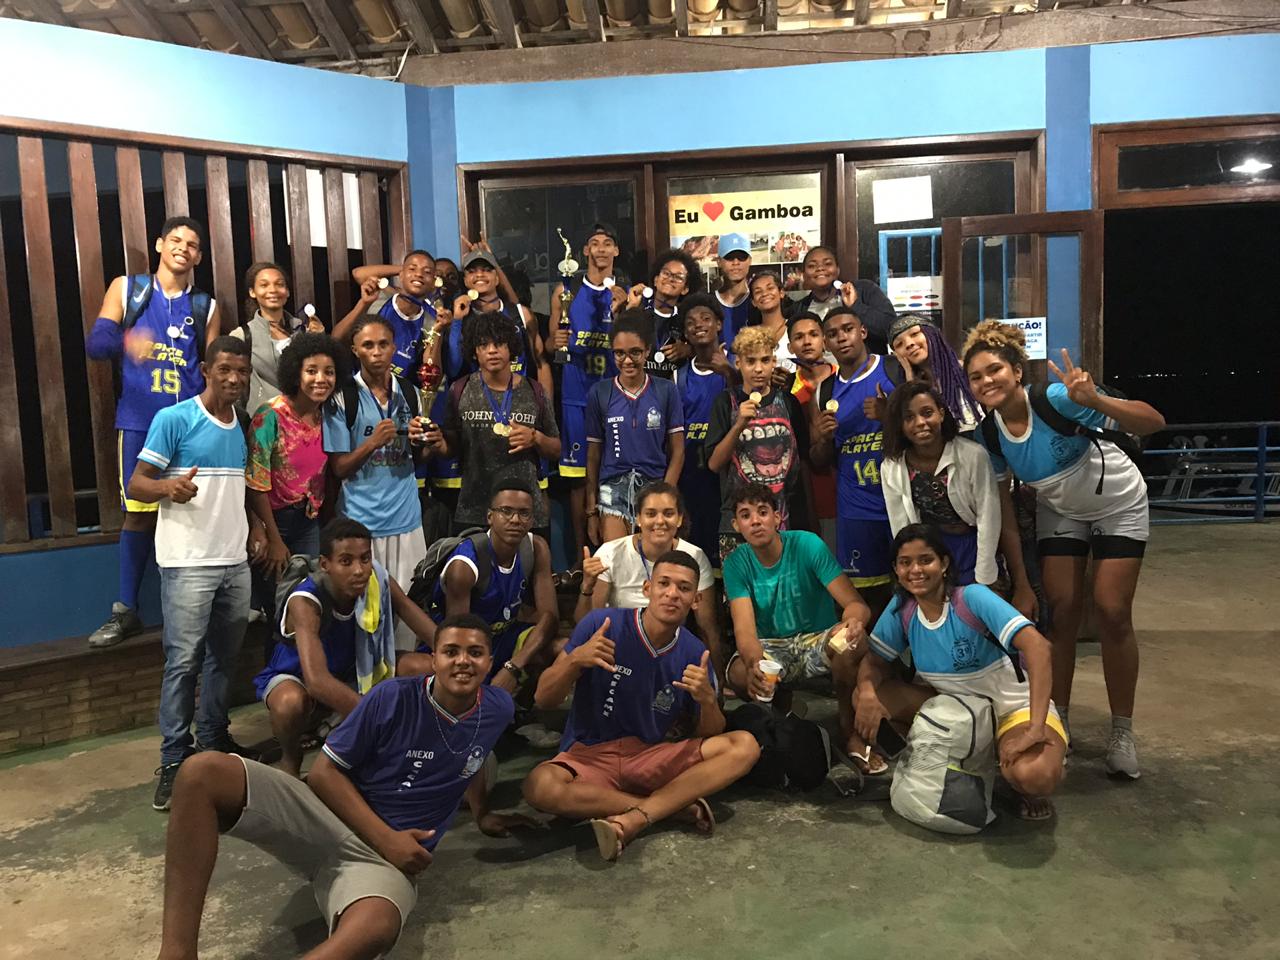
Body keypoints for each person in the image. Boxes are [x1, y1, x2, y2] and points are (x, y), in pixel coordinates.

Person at [154, 614, 534, 960]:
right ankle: (176, 954)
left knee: (375, 928)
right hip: (326, 817)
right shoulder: (392, 697)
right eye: (451, 651)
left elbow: (472, 757)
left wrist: (482, 813)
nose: (463, 661)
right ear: (433, 659)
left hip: (379, 865)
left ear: (490, 662)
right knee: (201, 772)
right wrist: (387, 839)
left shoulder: (497, 708)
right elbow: (323, 774)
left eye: (475, 653)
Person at [963, 322, 1165, 779]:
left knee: (1112, 610)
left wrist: (1095, 400)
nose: (987, 381)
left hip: (1117, 501)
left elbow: (1153, 422)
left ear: (1016, 371)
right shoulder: (988, 436)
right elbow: (1005, 513)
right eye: (976, 377)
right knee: (1062, 612)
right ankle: (1060, 720)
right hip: (1061, 509)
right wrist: (1019, 579)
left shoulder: (1054, 399)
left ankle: (1122, 731)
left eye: (995, 370)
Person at [522, 551, 760, 862]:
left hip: (649, 756)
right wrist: (575, 661)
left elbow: (709, 733)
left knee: (744, 746)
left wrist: (706, 701)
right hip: (589, 755)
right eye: (664, 583)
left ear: (696, 600)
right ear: (647, 589)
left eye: (684, 588)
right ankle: (667, 807)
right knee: (540, 786)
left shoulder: (694, 651)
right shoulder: (602, 624)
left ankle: (637, 816)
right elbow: (543, 698)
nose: (672, 594)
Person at [856, 524, 1066, 820]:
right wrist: (867, 691)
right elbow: (874, 661)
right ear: (896, 570)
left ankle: (1017, 771)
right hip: (957, 713)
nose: (915, 570)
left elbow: (1040, 649)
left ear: (944, 564)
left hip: (1010, 709)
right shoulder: (902, 609)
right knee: (866, 697)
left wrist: (1035, 727)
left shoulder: (972, 598)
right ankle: (943, 759)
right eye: (905, 562)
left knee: (1035, 776)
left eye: (925, 560)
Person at [127, 336, 255, 810]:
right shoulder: (174, 419)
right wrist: (167, 488)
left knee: (225, 658)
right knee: (183, 664)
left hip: (234, 561)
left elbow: (241, 490)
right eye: (225, 370)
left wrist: (259, 531)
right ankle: (174, 759)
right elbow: (136, 483)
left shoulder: (242, 423)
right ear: (205, 370)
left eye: (241, 371)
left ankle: (214, 740)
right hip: (187, 564)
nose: (234, 379)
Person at [84, 216, 222, 649]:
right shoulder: (128, 288)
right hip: (140, 420)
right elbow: (96, 345)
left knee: (194, 508)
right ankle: (126, 610)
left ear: (199, 256)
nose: (183, 247)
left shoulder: (205, 305)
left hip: (189, 423)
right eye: (176, 239)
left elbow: (213, 369)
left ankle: (205, 605)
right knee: (140, 512)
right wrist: (128, 341)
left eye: (192, 244)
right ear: (160, 245)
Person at [254, 517, 442, 777]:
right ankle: (291, 757)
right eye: (346, 561)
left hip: (353, 671)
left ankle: (427, 746)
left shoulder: (377, 578)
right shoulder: (305, 601)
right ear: (325, 564)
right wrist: (378, 722)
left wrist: (457, 656)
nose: (359, 570)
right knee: (290, 703)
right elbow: (317, 681)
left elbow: (419, 621)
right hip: (299, 678)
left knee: (427, 667)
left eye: (365, 558)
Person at [721, 483, 878, 772]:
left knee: (851, 643)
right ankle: (782, 717)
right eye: (745, 515)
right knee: (740, 673)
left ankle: (849, 729)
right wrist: (754, 664)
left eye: (762, 512)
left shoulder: (807, 544)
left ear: (777, 517)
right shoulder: (735, 563)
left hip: (816, 639)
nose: (755, 521)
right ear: (736, 526)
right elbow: (744, 631)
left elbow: (855, 605)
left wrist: (853, 622)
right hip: (772, 646)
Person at [323, 315, 429, 650]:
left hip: (406, 520)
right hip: (362, 524)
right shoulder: (342, 398)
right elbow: (339, 468)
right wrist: (371, 443)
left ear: (394, 348)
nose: (377, 352)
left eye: (383, 344)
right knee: (365, 619)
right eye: (368, 345)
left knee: (408, 619)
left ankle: (407, 679)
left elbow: (419, 456)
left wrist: (429, 441)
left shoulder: (410, 392)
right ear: (355, 350)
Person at [880, 381, 1034, 608]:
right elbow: (901, 527)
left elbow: (988, 517)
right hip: (930, 550)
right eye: (909, 417)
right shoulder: (891, 466)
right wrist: (914, 569)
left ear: (941, 413)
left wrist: (984, 577)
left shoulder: (972, 455)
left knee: (980, 610)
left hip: (974, 545)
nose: (920, 422)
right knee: (936, 613)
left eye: (927, 413)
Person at [414, 482, 560, 700]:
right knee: (454, 673)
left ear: (532, 520)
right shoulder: (464, 566)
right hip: (464, 645)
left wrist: (513, 667)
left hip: (503, 637)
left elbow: (550, 618)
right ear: (490, 517)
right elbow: (460, 639)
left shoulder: (536, 548)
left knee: (561, 648)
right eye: (506, 511)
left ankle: (520, 707)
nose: (515, 520)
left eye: (524, 513)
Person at [427, 310, 560, 536]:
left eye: (499, 343)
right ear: (474, 351)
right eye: (483, 345)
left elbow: (556, 449)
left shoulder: (534, 390)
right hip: (473, 510)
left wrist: (535, 438)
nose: (492, 350)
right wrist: (439, 444)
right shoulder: (459, 389)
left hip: (525, 512)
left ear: (511, 347)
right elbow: (452, 448)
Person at [578, 482, 723, 675]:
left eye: (668, 513)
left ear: (679, 519)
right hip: (618, 648)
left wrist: (717, 681)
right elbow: (587, 625)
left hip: (670, 650)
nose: (660, 521)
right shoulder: (610, 553)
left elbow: (707, 627)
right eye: (651, 514)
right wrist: (587, 586)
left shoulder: (695, 556)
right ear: (638, 518)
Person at [547, 224, 626, 564]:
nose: (602, 249)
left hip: (614, 399)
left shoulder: (624, 294)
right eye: (595, 243)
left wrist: (625, 311)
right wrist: (556, 342)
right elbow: (550, 347)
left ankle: (619, 553)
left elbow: (634, 344)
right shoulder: (565, 292)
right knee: (578, 480)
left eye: (608, 243)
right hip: (576, 398)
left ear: (616, 251)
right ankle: (582, 558)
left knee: (615, 475)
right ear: (585, 252)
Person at [809, 306, 897, 611]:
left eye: (847, 329)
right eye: (832, 334)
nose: (842, 338)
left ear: (862, 332)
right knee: (869, 600)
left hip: (900, 501)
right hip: (855, 509)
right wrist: (823, 438)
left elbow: (923, 431)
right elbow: (819, 459)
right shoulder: (825, 390)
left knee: (913, 587)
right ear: (826, 343)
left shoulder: (893, 369)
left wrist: (889, 417)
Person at [245, 333, 344, 595]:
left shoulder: (328, 416)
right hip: (274, 520)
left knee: (307, 595)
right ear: (295, 373)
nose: (321, 379)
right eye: (311, 371)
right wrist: (273, 538)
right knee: (276, 598)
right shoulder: (270, 415)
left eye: (329, 372)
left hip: (309, 520)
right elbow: (255, 484)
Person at [705, 325, 810, 561]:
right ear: (738, 363)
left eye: (765, 360)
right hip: (736, 523)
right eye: (750, 361)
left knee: (786, 584)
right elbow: (714, 463)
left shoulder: (788, 402)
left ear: (774, 362)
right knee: (740, 585)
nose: (759, 369)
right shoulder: (725, 402)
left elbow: (802, 461)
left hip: (784, 520)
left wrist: (808, 517)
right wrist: (739, 425)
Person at [585, 312, 685, 545]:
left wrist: (666, 496)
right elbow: (593, 456)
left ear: (647, 350)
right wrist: (591, 511)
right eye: (620, 353)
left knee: (653, 559)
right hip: (613, 487)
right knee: (616, 559)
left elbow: (678, 451)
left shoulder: (666, 390)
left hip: (654, 484)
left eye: (635, 352)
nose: (627, 360)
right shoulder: (600, 393)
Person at [672, 293, 733, 566]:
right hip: (693, 478)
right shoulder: (678, 376)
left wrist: (730, 373)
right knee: (698, 552)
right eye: (691, 322)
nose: (698, 324)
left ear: (718, 324)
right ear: (685, 333)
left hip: (728, 476)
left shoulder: (737, 366)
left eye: (706, 318)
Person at [456, 248, 553, 400]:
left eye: (487, 270)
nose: (480, 274)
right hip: (479, 404)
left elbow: (541, 363)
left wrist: (546, 408)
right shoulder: (461, 317)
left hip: (521, 402)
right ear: (465, 280)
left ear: (497, 278)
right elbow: (454, 368)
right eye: (472, 271)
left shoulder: (521, 314)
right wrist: (456, 321)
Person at [231, 261, 325, 415]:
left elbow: (319, 372)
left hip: (304, 417)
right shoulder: (242, 335)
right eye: (264, 285)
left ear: (287, 292)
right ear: (252, 292)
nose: (273, 290)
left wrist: (319, 340)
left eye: (279, 284)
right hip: (264, 420)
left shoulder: (302, 330)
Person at [334, 250, 437, 379]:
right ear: (401, 275)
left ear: (434, 282)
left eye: (427, 272)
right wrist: (404, 269)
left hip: (398, 388)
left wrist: (410, 270)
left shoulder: (432, 320)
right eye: (412, 269)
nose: (419, 274)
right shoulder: (380, 297)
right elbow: (336, 339)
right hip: (359, 384)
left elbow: (431, 375)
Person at [886, 314, 982, 432]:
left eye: (914, 334)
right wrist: (912, 385)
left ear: (933, 333)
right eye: (899, 344)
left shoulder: (968, 371)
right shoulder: (903, 391)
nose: (909, 344)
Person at [793, 246, 897, 351]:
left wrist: (856, 305)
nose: (820, 268)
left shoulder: (863, 290)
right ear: (804, 275)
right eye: (812, 266)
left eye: (827, 264)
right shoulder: (800, 309)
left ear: (837, 270)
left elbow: (892, 330)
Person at [625, 248, 701, 379]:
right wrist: (631, 309)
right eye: (666, 273)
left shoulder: (687, 320)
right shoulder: (638, 310)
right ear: (655, 280)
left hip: (671, 388)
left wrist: (689, 350)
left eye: (678, 277)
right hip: (638, 385)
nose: (670, 279)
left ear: (685, 289)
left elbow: (706, 352)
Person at [714, 233, 754, 347]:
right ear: (719, 261)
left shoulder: (758, 302)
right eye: (729, 257)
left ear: (750, 261)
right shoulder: (708, 303)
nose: (736, 263)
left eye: (742, 257)